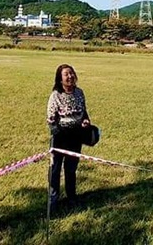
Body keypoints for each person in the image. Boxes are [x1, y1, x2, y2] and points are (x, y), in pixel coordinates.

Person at [46, 63, 91, 214]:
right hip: (60, 137)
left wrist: (86, 121)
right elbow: (51, 120)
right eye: (66, 74)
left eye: (71, 73)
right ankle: (53, 201)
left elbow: (84, 112)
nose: (70, 76)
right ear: (60, 79)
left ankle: (72, 198)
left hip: (76, 136)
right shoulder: (55, 95)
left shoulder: (79, 93)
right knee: (55, 170)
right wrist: (59, 133)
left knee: (71, 169)